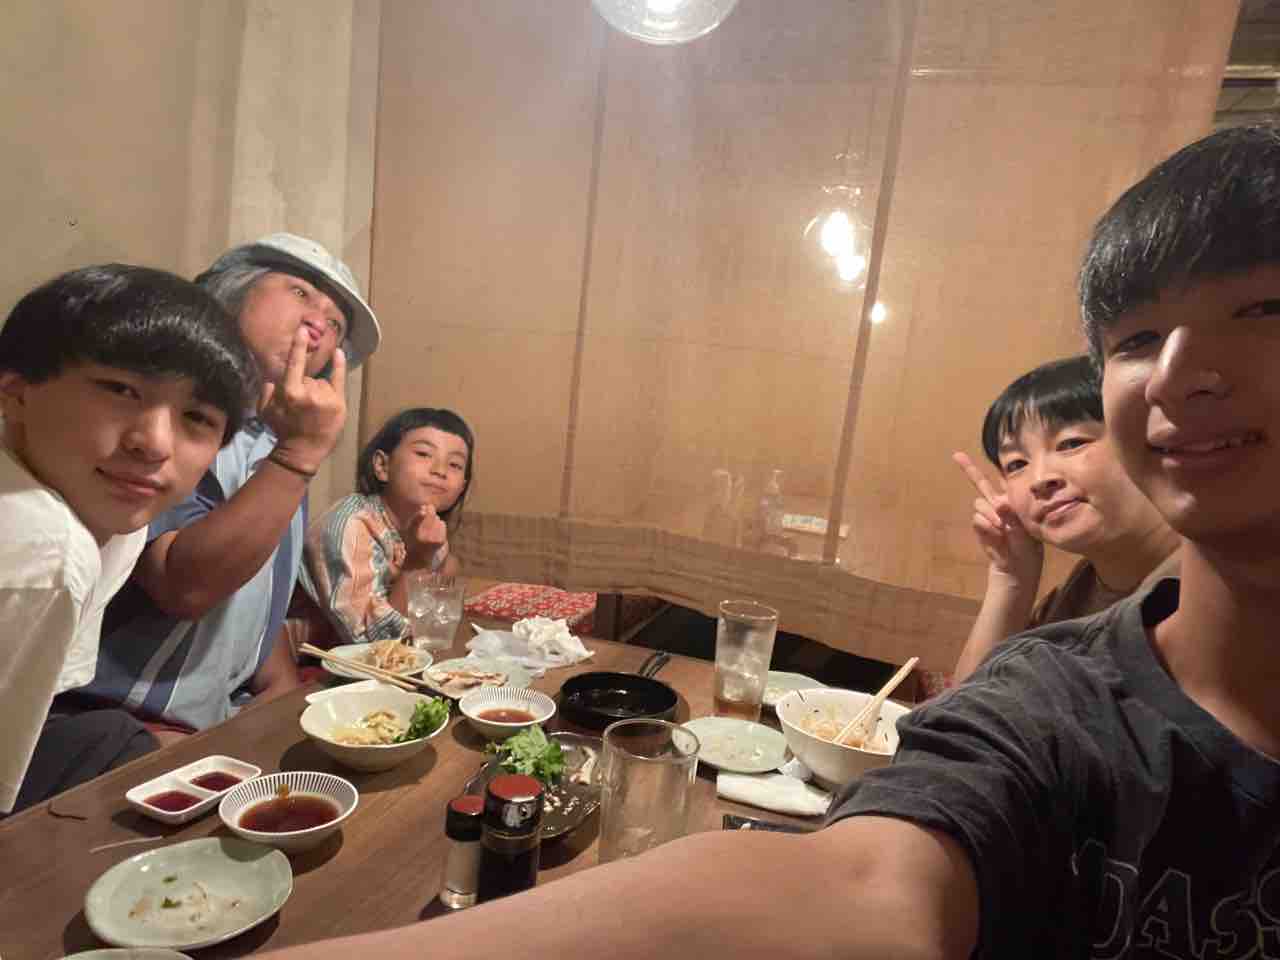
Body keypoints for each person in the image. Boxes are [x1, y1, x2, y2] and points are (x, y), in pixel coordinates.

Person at [260, 124, 1280, 960]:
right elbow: (863, 882)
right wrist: (1009, 582)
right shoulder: (1061, 688)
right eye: (1138, 339)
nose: (1178, 373)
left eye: (1261, 309)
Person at [63, 234, 381, 734]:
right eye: (300, 292)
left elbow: (254, 584)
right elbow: (184, 587)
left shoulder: (275, 439)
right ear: (233, 292)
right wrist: (299, 456)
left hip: (211, 721)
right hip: (109, 720)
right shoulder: (170, 416)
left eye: (336, 323)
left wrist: (278, 686)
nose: (320, 324)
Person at [0, 264, 257, 814]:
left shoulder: (121, 520)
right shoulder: (42, 547)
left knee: (117, 740)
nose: (154, 443)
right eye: (121, 390)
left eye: (196, 417)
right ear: (16, 392)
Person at [950, 355, 1180, 681]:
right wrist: (1011, 577)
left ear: (1153, 439)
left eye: (1071, 443)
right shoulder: (1077, 592)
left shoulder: (1211, 586)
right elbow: (969, 707)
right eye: (1017, 464)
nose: (1039, 479)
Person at [303, 407, 474, 646]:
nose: (440, 470)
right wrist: (418, 561)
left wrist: (439, 563)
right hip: (317, 657)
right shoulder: (352, 523)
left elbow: (430, 616)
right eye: (424, 453)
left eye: (455, 464)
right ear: (383, 465)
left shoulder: (430, 530)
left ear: (462, 486)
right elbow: (371, 646)